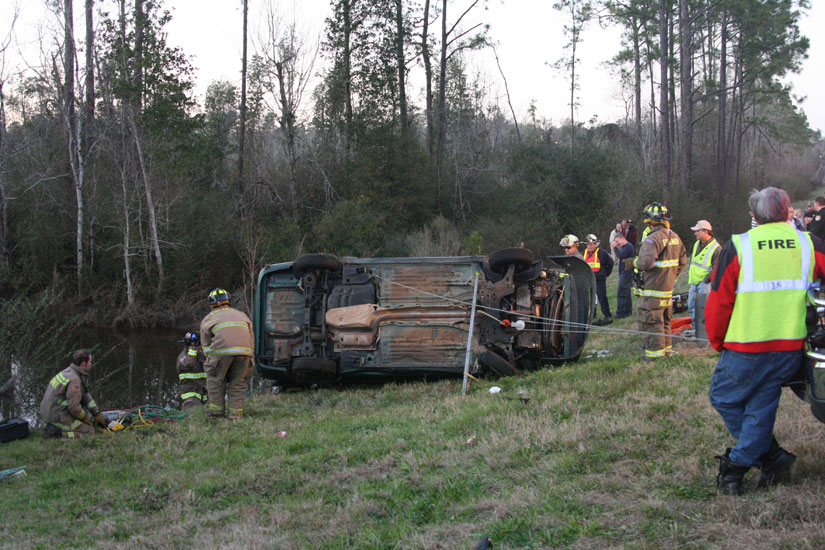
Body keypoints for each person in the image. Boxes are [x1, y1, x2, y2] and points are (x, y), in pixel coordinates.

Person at [706, 187, 825, 495]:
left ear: (755, 215)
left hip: (747, 345)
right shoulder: (809, 243)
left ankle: (740, 463)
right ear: (788, 212)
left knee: (723, 396)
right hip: (790, 346)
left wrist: (717, 340)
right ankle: (772, 458)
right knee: (761, 403)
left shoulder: (740, 245)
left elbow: (719, 301)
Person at [633, 202, 687, 360]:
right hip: (667, 291)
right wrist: (671, 278)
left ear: (649, 222)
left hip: (652, 291)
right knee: (665, 322)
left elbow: (645, 263)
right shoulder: (675, 237)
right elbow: (682, 263)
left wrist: (634, 262)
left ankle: (654, 357)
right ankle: (667, 353)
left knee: (651, 323)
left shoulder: (651, 239)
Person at [200, 288, 255, 421]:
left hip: (220, 352)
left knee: (215, 380)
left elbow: (206, 347)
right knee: (238, 382)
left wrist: (213, 361)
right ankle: (235, 416)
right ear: (228, 301)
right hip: (245, 352)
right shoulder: (242, 315)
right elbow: (251, 338)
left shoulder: (209, 318)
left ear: (212, 304)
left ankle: (217, 414)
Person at [40, 349, 106, 438]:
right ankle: (57, 434)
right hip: (57, 416)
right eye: (90, 361)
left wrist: (96, 413)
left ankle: (55, 429)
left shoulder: (69, 371)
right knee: (90, 431)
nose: (91, 364)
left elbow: (85, 395)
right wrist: (85, 418)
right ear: (83, 363)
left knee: (83, 424)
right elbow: (74, 407)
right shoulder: (75, 380)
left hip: (49, 411)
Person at [687, 220, 721, 331]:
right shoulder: (697, 244)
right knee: (692, 306)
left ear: (706, 231)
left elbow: (717, 268)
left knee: (703, 308)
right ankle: (695, 329)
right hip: (694, 281)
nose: (695, 233)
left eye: (697, 231)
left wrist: (706, 280)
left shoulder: (716, 248)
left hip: (705, 284)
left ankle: (704, 332)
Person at [583, 234, 614, 324]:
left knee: (602, 297)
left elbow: (610, 263)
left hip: (599, 279)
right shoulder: (583, 253)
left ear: (596, 244)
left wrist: (606, 274)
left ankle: (607, 315)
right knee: (590, 299)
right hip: (588, 280)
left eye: (592, 244)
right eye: (588, 244)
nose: (590, 246)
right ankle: (592, 316)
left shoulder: (602, 253)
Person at [176, 331, 207, 412]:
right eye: (199, 344)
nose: (201, 346)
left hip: (203, 392)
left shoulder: (200, 355)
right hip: (190, 393)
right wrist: (193, 349)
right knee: (195, 413)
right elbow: (190, 364)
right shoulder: (183, 357)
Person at [612, 232, 635, 319]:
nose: (617, 244)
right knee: (627, 293)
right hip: (625, 273)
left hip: (626, 274)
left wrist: (615, 248)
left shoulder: (628, 246)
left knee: (621, 293)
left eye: (618, 241)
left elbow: (621, 256)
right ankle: (628, 311)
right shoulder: (626, 247)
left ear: (622, 238)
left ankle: (621, 313)